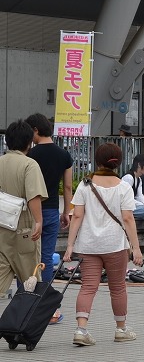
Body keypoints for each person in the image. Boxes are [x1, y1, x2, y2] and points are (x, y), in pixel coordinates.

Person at [63, 142, 143, 346]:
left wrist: (70, 246)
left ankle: (81, 330)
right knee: (117, 288)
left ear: (97, 160)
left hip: (88, 245)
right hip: (115, 245)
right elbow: (128, 219)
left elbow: (77, 215)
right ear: (118, 163)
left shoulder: (85, 184)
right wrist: (136, 248)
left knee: (88, 287)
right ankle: (121, 329)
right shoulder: (124, 187)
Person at [25, 113, 73, 323]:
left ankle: (27, 305)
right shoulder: (64, 155)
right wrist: (67, 211)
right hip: (53, 210)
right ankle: (49, 311)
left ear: (36, 129)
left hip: (30, 212)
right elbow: (69, 187)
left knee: (27, 258)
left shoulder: (30, 155)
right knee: (46, 259)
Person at [0, 120, 47, 296]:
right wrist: (39, 222)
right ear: (29, 142)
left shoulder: (0, 161)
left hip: (1, 229)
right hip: (24, 229)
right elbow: (33, 196)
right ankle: (30, 320)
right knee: (31, 281)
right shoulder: (29, 164)